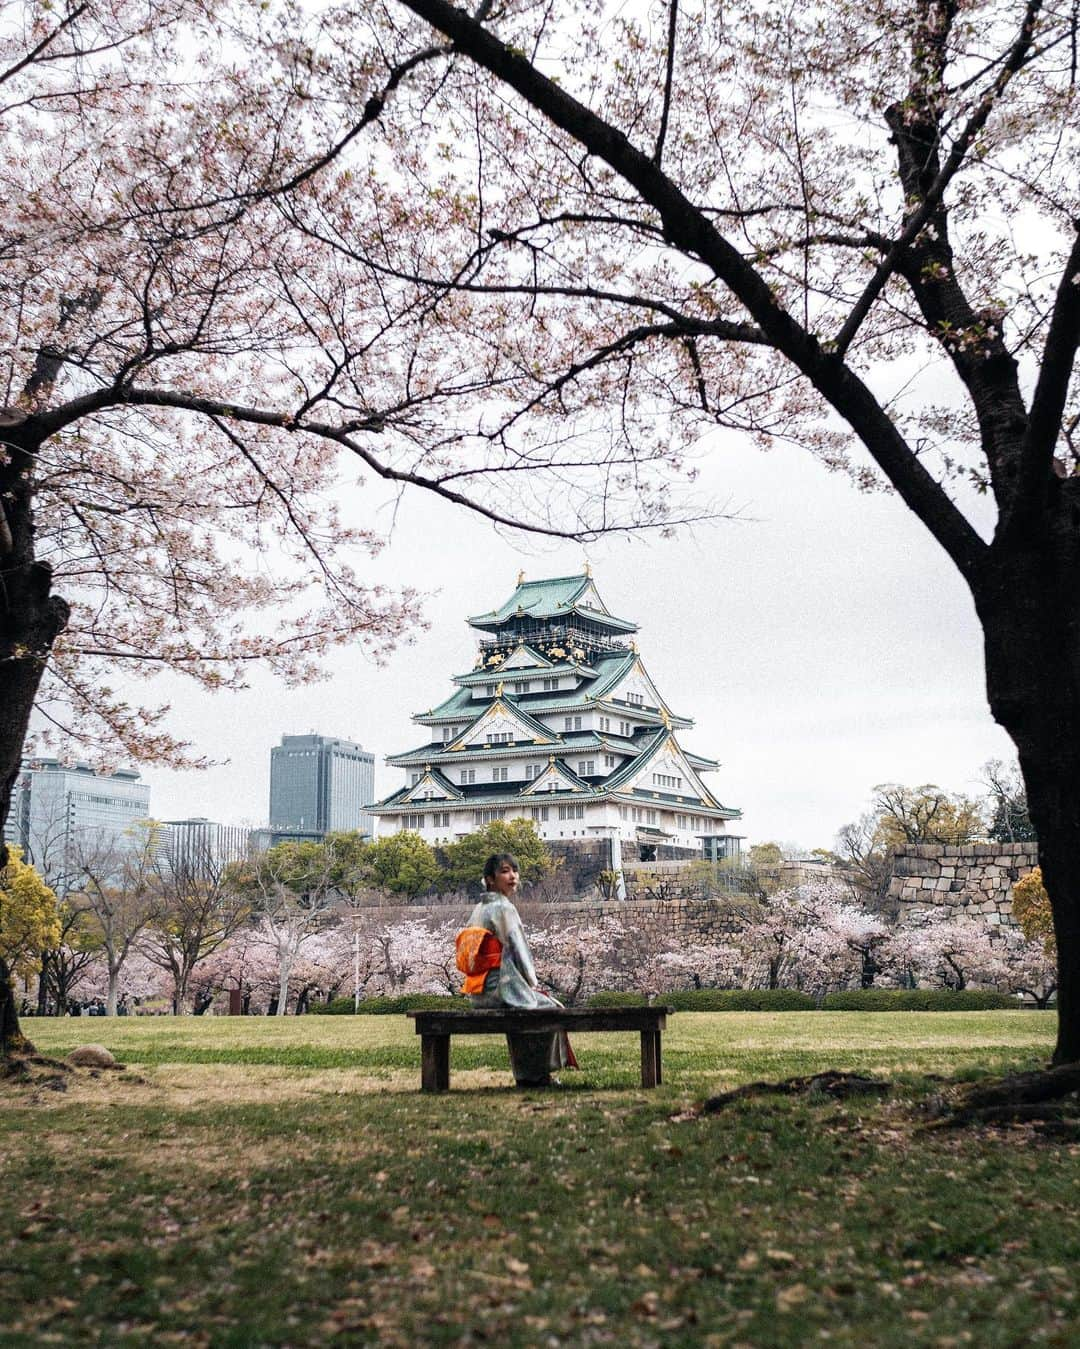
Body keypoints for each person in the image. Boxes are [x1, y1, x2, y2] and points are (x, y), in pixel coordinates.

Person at [459, 852, 571, 1088]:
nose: (512, 876)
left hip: (479, 991)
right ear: (490, 879)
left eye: (514, 871)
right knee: (550, 1008)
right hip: (500, 988)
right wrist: (532, 982)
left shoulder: (479, 908)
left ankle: (528, 1074)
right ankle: (536, 1075)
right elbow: (520, 951)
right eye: (504, 871)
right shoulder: (503, 908)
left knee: (531, 1010)